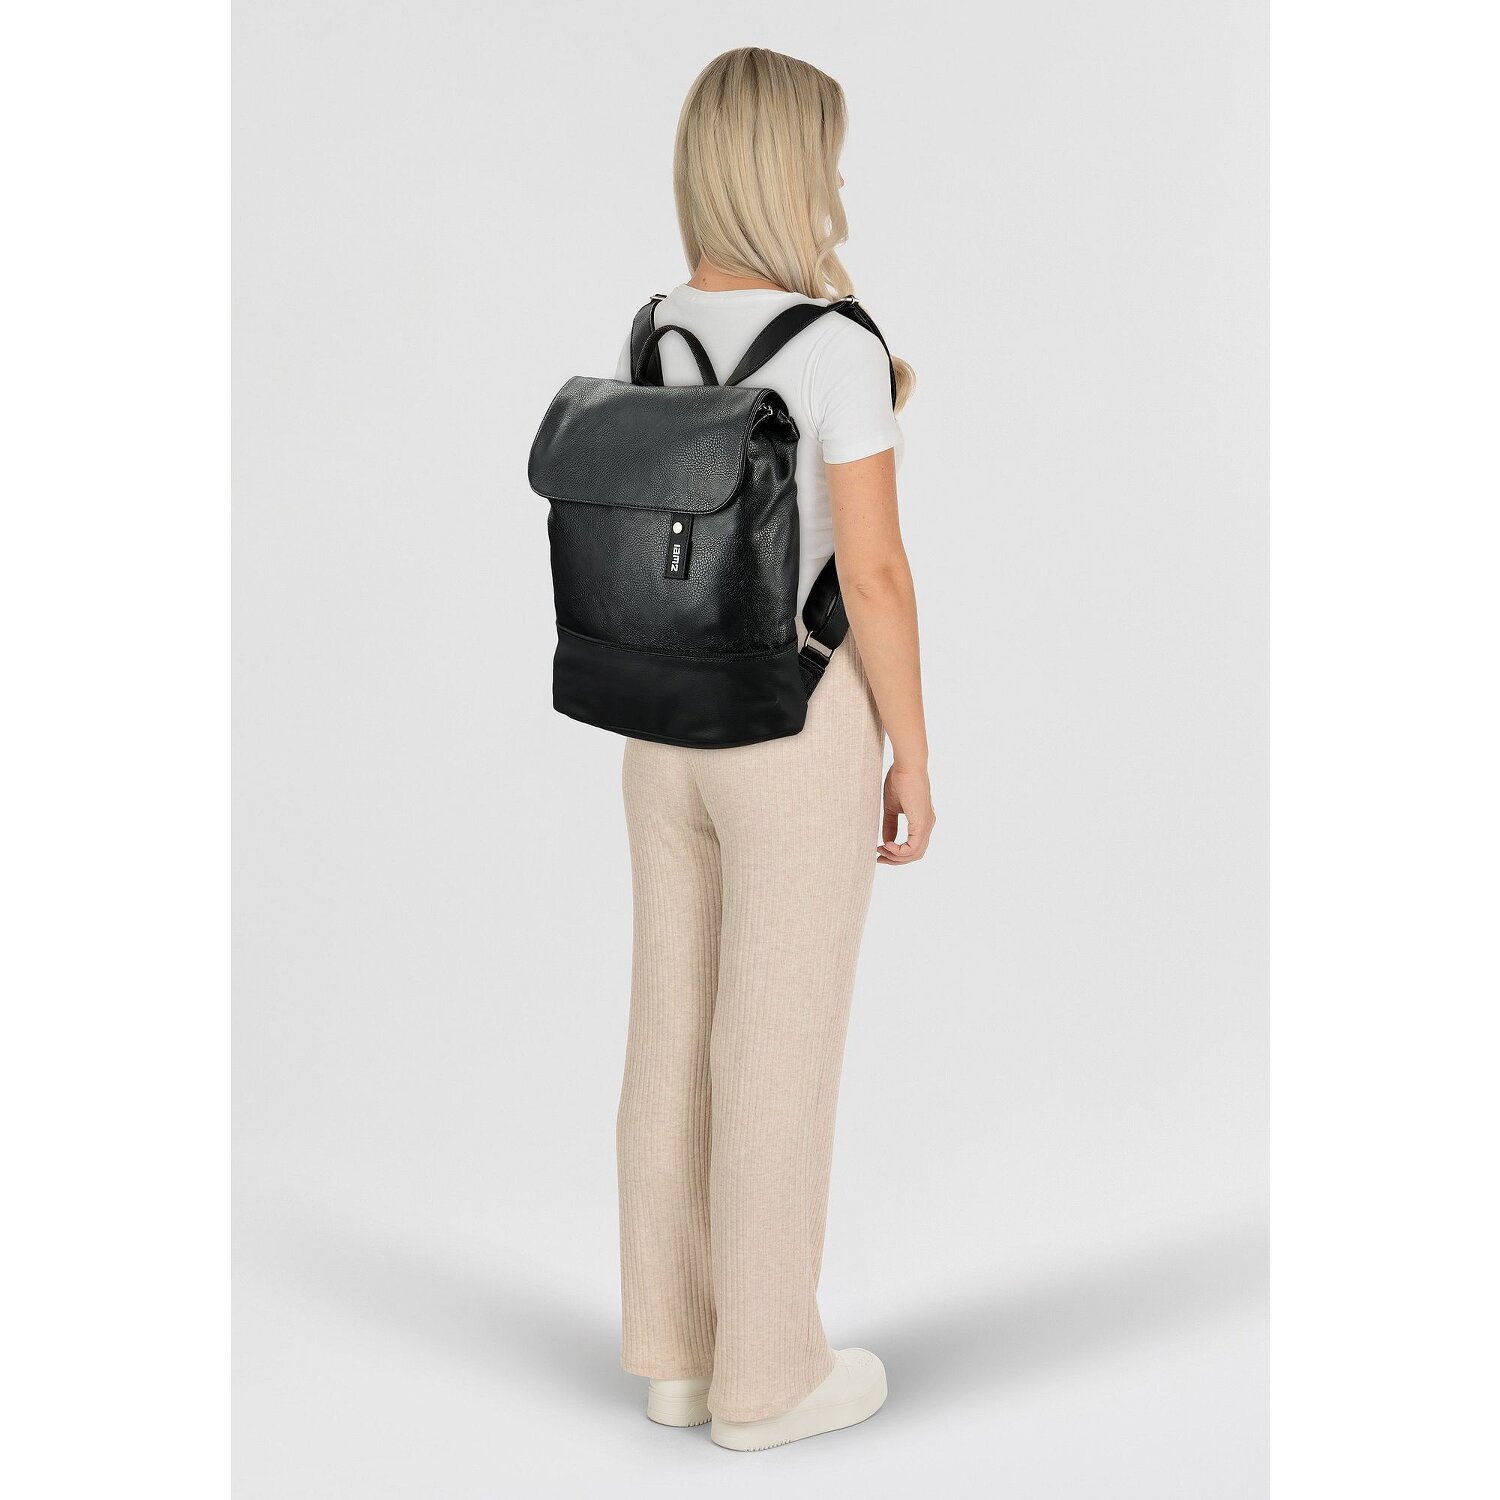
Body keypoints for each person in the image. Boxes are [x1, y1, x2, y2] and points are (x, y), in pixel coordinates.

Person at [612, 46, 934, 1452]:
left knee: (672, 1036)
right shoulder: (836, 346)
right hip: (793, 730)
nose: (839, 181)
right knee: (775, 1050)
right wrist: (910, 751)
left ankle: (677, 1357)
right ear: (791, 170)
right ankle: (768, 1380)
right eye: (828, 156)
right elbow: (875, 576)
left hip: (660, 728)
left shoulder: (655, 328)